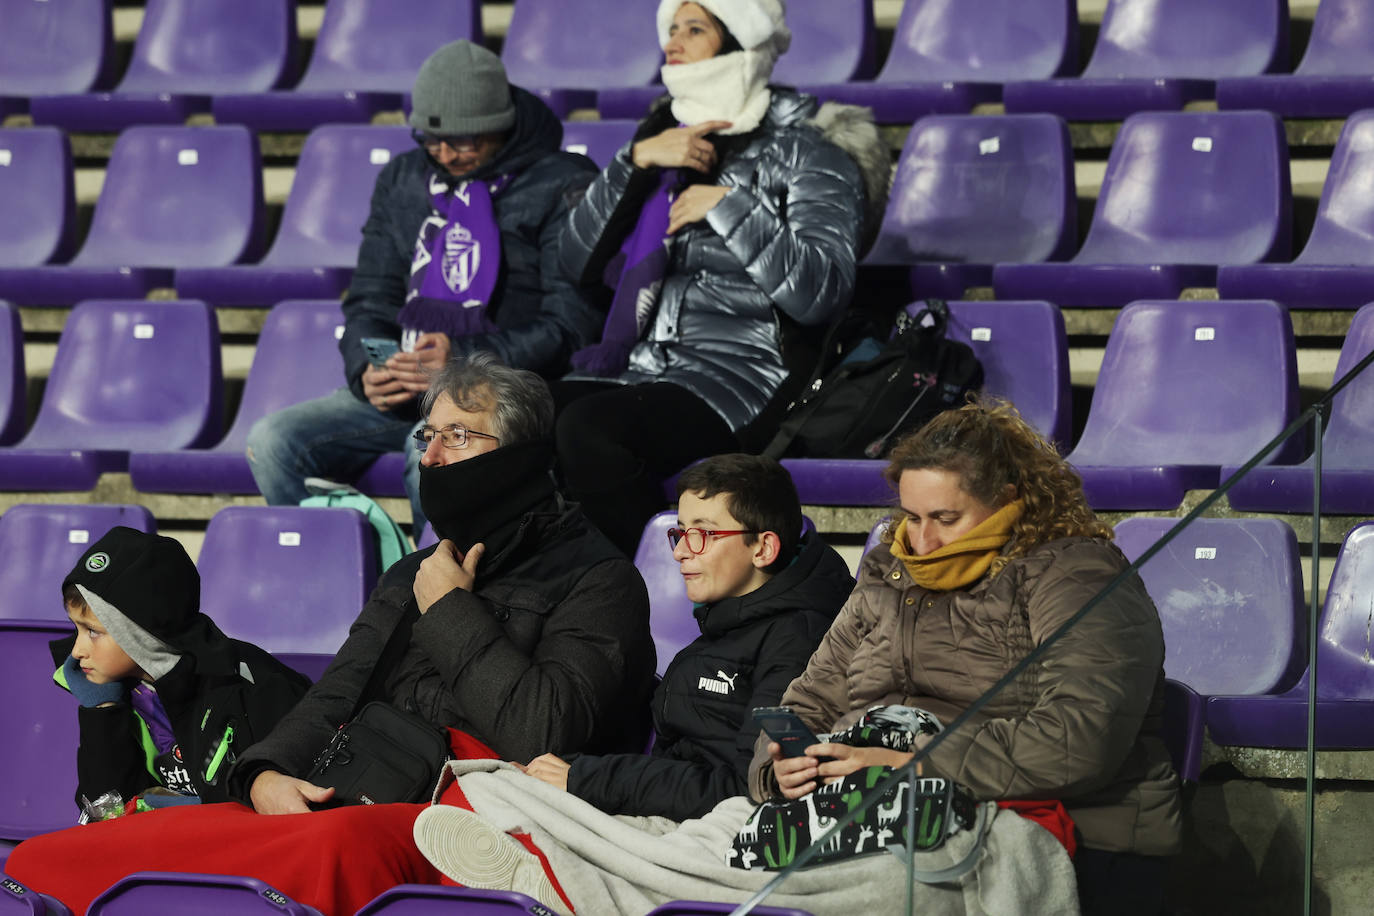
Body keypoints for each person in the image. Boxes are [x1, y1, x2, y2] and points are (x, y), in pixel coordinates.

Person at [8, 353, 658, 916]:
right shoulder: (413, 572)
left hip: (466, 813)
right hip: (353, 786)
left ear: (518, 454)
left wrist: (452, 612)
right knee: (55, 859)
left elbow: (543, 731)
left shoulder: (599, 581)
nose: (429, 458)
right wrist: (264, 772)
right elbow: (336, 693)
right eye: (426, 437)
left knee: (328, 855)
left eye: (455, 437)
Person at [749, 398, 1183, 916]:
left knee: (814, 897)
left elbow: (1079, 738)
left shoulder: (1078, 575)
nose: (922, 540)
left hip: (1053, 826)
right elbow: (812, 698)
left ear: (1007, 499)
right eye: (910, 516)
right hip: (867, 808)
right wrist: (780, 770)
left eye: (944, 518)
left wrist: (914, 764)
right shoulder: (890, 570)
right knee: (664, 860)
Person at [410, 453, 854, 907]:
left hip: (712, 828)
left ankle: (557, 884)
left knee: (509, 799)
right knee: (486, 785)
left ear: (763, 548)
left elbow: (743, 786)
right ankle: (547, 877)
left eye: (702, 534)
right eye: (680, 533)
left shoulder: (797, 639)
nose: (681, 550)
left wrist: (588, 777)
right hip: (667, 812)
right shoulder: (728, 623)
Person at [554, 0, 891, 555]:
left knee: (587, 431)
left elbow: (822, 292)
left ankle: (640, 590)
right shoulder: (661, 140)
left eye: (695, 28)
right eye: (671, 28)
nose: (673, 41)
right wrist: (633, 162)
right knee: (507, 413)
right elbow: (573, 263)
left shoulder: (813, 151)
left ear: (740, 45)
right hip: (643, 369)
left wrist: (732, 206)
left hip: (743, 377)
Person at [248, 39, 604, 533]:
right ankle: (362, 572)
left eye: (463, 141)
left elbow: (572, 324)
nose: (444, 154)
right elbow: (371, 295)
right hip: (410, 382)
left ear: (499, 126)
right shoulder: (404, 179)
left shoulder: (563, 182)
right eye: (431, 141)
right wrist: (368, 368)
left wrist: (464, 361)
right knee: (273, 441)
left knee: (431, 454)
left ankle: (432, 594)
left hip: (499, 389)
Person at [53, 527, 310, 810]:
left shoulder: (248, 685)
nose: (77, 651)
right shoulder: (115, 687)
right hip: (162, 845)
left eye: (93, 631)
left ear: (140, 632)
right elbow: (106, 809)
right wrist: (102, 710)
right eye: (76, 628)